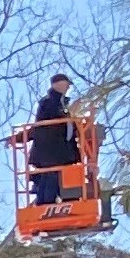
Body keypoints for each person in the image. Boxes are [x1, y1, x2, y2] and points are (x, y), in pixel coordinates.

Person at [26, 75, 83, 205]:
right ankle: (45, 206)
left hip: (62, 154)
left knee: (64, 181)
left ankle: (68, 202)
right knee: (50, 182)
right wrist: (69, 113)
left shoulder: (61, 102)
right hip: (51, 154)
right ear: (57, 84)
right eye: (66, 83)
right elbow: (52, 119)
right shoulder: (49, 101)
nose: (68, 87)